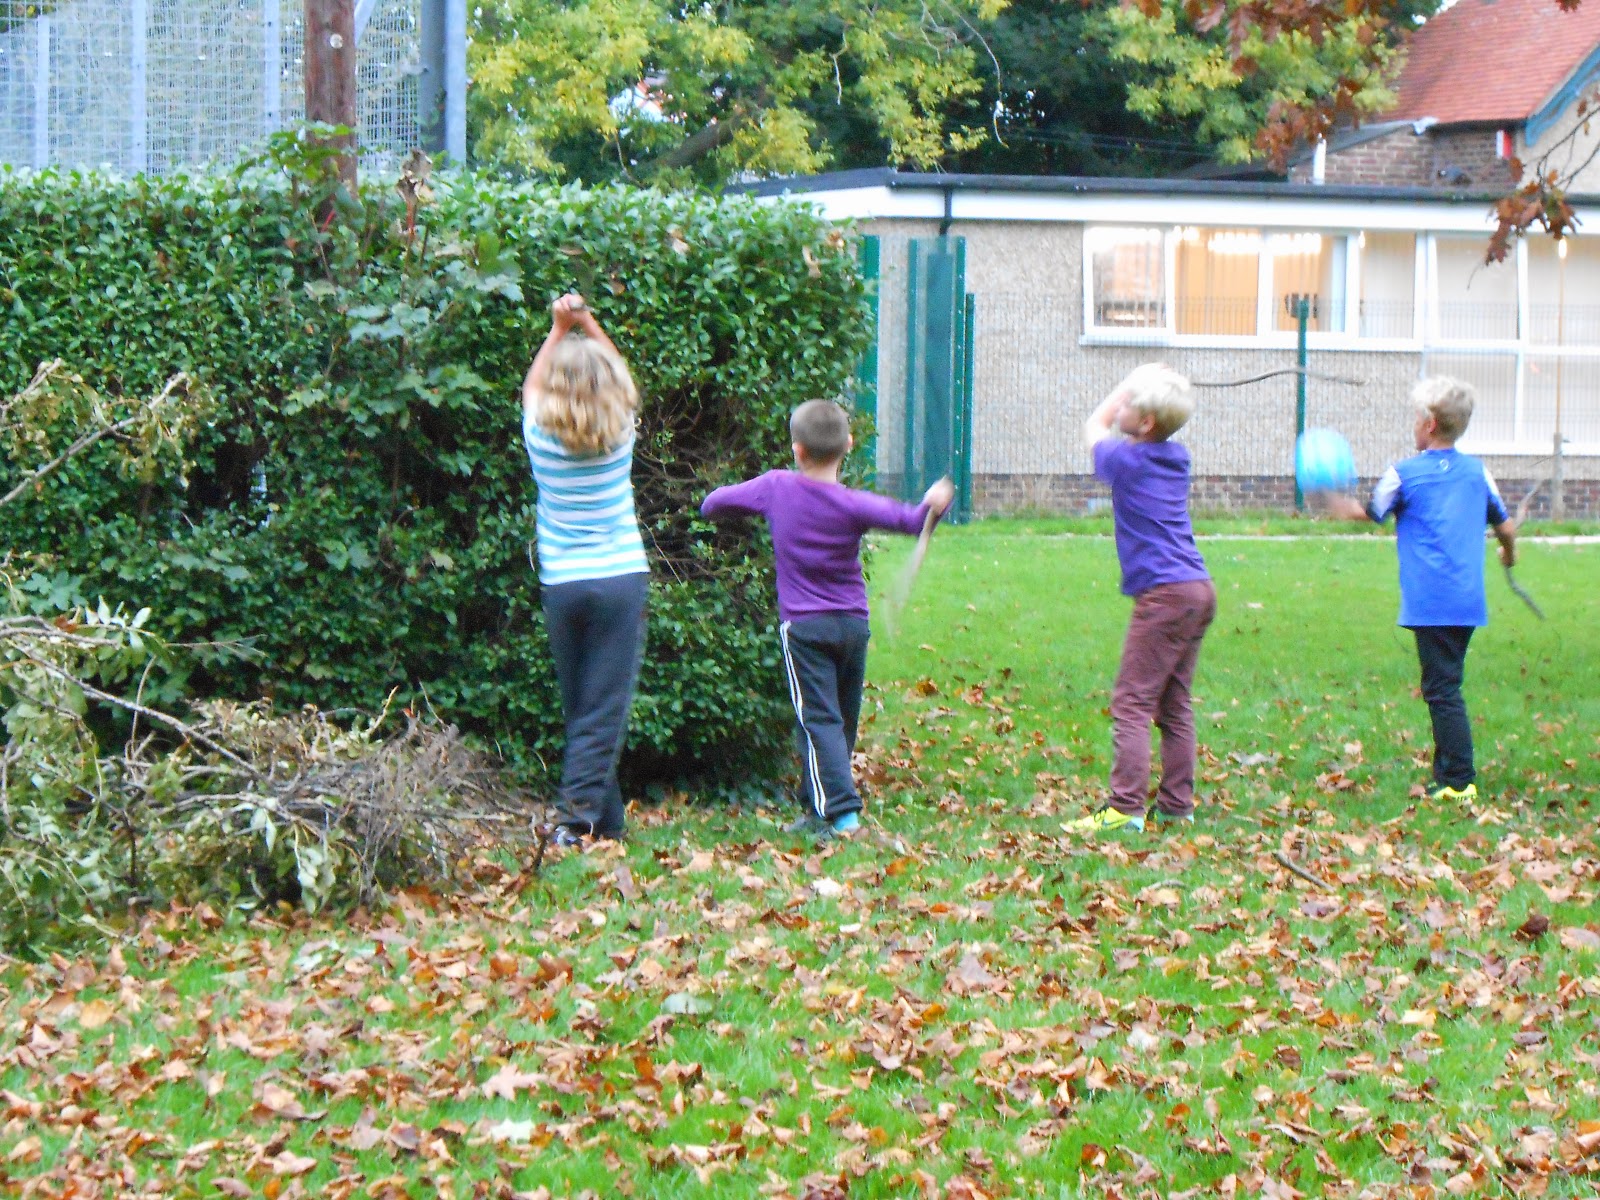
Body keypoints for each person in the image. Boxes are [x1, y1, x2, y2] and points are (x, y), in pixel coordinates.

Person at [700, 399, 954, 836]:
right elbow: (913, 521)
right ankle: (819, 807)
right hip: (852, 626)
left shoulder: (776, 487)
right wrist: (935, 504)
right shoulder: (853, 503)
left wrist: (730, 506)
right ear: (849, 445)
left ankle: (841, 814)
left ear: (797, 449)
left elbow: (712, 505)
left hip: (805, 628)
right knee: (840, 718)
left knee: (818, 719)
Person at [1325, 377, 1517, 803]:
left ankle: (1459, 780)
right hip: (1467, 600)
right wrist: (1509, 554)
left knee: (1442, 689)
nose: (1413, 425)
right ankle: (1449, 770)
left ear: (1429, 424)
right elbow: (1504, 526)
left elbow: (1374, 512)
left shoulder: (1403, 473)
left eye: (1416, 418)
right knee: (1445, 683)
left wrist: (1338, 506)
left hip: (1432, 601)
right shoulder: (1477, 472)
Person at [521, 294, 649, 847]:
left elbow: (531, 386)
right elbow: (623, 378)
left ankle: (605, 823)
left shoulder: (538, 436)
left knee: (584, 703)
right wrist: (586, 322)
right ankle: (575, 821)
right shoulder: (620, 432)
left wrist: (557, 329)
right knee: (601, 707)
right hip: (620, 581)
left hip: (563, 585)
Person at [1069, 364, 1215, 835]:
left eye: (1131, 405)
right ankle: (1176, 805)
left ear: (1147, 422)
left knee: (1132, 702)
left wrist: (1125, 379)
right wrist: (1144, 388)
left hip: (1165, 594)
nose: (1121, 408)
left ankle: (1125, 807)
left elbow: (1094, 425)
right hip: (1197, 589)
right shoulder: (1177, 457)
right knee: (1173, 702)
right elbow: (1119, 428)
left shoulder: (1127, 462)